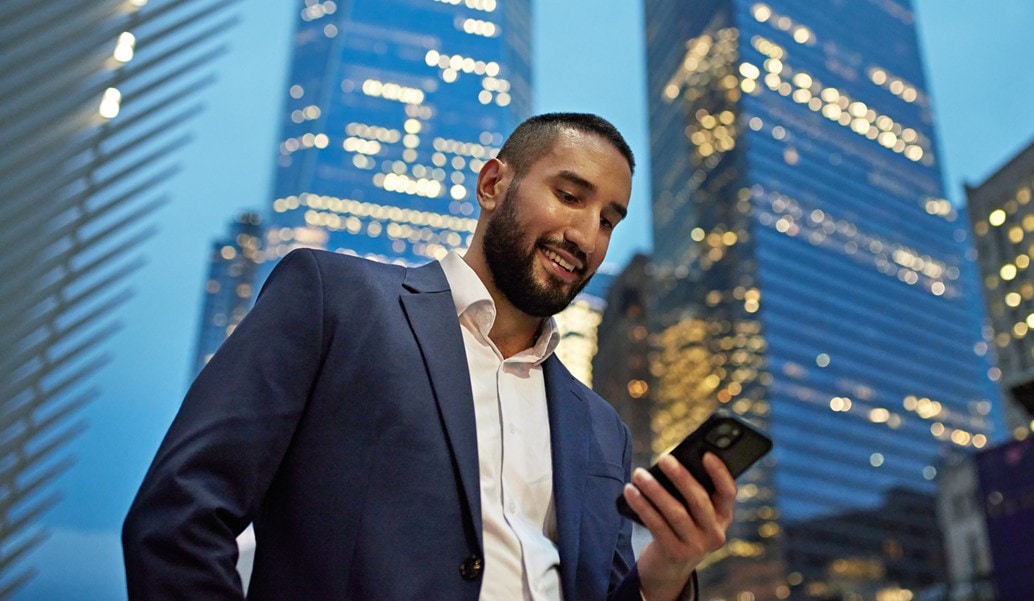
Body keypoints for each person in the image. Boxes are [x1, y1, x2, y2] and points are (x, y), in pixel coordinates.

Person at [122, 113, 735, 601]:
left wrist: (666, 573)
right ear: (493, 184)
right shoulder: (334, 298)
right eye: (569, 196)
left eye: (608, 220)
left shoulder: (603, 428)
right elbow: (178, 518)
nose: (586, 235)